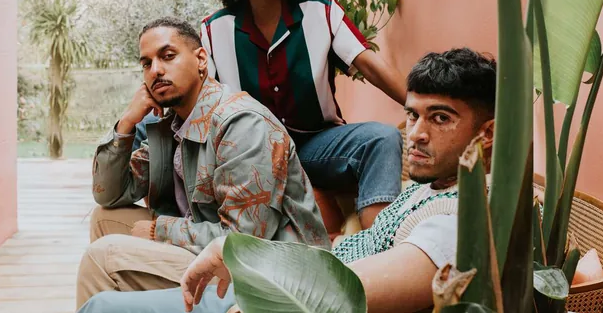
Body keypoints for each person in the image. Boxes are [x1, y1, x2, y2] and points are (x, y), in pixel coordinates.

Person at [77, 48, 497, 313]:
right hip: (283, 274)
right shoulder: (432, 185)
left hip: (284, 294)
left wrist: (254, 271)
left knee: (102, 303)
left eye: (440, 118)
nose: (417, 133)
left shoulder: (458, 218)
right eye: (413, 115)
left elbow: (343, 293)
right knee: (103, 276)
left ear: (488, 133)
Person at [76, 17, 330, 308]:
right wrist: (127, 123)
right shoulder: (172, 125)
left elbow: (243, 239)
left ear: (200, 60)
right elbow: (108, 194)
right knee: (105, 218)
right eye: (146, 63)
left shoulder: (241, 123)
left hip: (274, 277)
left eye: (167, 56)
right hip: (209, 247)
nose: (156, 70)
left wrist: (159, 230)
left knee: (103, 257)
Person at [201, 0, 407, 229]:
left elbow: (369, 64)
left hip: (318, 145)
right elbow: (203, 105)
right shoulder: (214, 31)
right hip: (255, 156)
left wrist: (422, 108)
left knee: (382, 137)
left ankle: (378, 239)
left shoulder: (321, 11)